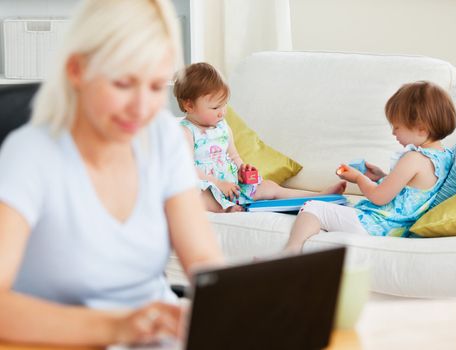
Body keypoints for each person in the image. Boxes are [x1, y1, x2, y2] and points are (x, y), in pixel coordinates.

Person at [0, 0, 224, 346]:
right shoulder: (30, 154)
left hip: (157, 339)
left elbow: (206, 262)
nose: (141, 108)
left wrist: (240, 305)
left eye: (154, 87)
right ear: (77, 71)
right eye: (123, 84)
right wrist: (117, 327)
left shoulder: (164, 137)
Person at [283, 81, 456, 253]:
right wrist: (380, 176)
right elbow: (409, 191)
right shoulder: (445, 157)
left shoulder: (413, 158)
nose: (393, 132)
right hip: (395, 230)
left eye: (397, 126)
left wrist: (359, 178)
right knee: (339, 206)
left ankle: (290, 252)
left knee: (313, 207)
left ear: (421, 129)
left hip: (375, 227)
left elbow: (379, 197)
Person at [173, 62, 347, 213]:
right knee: (194, 196)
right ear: (189, 105)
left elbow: (233, 156)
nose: (222, 112)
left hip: (232, 184)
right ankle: (225, 208)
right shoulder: (185, 132)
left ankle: (319, 196)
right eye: (215, 107)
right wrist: (218, 183)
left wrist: (242, 169)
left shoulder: (223, 127)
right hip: (208, 184)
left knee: (269, 187)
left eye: (225, 104)